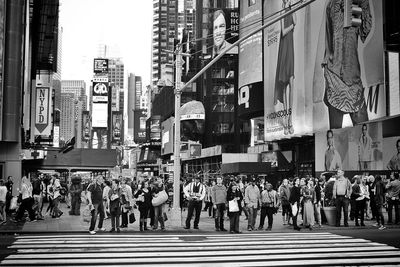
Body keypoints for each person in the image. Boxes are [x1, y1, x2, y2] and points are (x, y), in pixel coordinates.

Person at [322, 0, 372, 129]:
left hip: (352, 77)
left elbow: (364, 32)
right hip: (334, 78)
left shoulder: (355, 4)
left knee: (364, 130)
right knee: (335, 138)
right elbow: (328, 39)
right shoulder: (332, 5)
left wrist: (364, 5)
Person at [274, 0, 296, 135]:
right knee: (284, 86)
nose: (288, 1)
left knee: (292, 82)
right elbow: (283, 31)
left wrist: (292, 8)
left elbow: (296, 21)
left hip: (290, 49)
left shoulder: (291, 10)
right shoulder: (281, 12)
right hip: (284, 49)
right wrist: (291, 27)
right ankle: (287, 122)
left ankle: (290, 118)